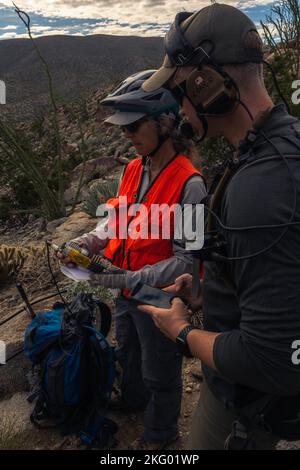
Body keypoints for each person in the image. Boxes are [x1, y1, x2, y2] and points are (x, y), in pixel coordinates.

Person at [139, 3, 300, 450]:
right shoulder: (278, 148)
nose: (179, 105)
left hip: (247, 404)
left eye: (178, 90)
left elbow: (274, 359)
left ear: (204, 83)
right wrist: (206, 292)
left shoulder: (262, 188)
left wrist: (182, 333)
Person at [58, 70, 206, 450]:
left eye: (133, 126)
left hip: (159, 299)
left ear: (165, 123)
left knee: (161, 371)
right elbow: (116, 222)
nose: (126, 135)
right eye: (123, 128)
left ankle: (160, 436)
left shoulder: (190, 184)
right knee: (128, 350)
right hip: (125, 291)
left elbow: (188, 260)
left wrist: (129, 278)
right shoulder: (132, 170)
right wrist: (89, 241)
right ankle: (134, 401)